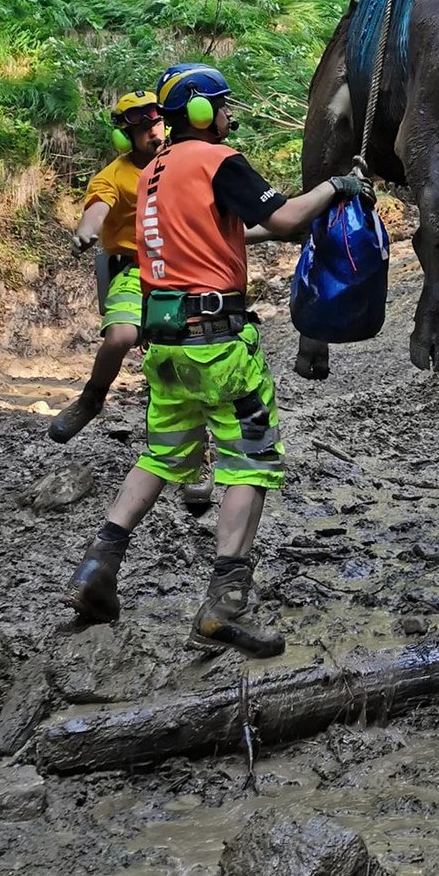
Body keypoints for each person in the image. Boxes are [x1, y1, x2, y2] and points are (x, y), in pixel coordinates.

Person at [64, 62, 369, 656]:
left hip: (168, 344)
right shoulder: (216, 162)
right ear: (201, 112)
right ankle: (223, 602)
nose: (230, 115)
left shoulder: (151, 172)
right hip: (219, 344)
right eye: (223, 105)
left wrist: (297, 221)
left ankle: (98, 563)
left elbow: (220, 231)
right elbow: (279, 216)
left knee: (162, 455)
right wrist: (336, 187)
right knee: (249, 463)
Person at [49, 91, 166, 446]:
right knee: (121, 336)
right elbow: (98, 208)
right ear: (125, 136)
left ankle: (188, 443)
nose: (153, 133)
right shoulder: (112, 176)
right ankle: (92, 398)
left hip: (178, 269)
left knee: (177, 355)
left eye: (157, 123)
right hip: (131, 269)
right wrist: (86, 230)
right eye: (143, 128)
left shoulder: (180, 162)